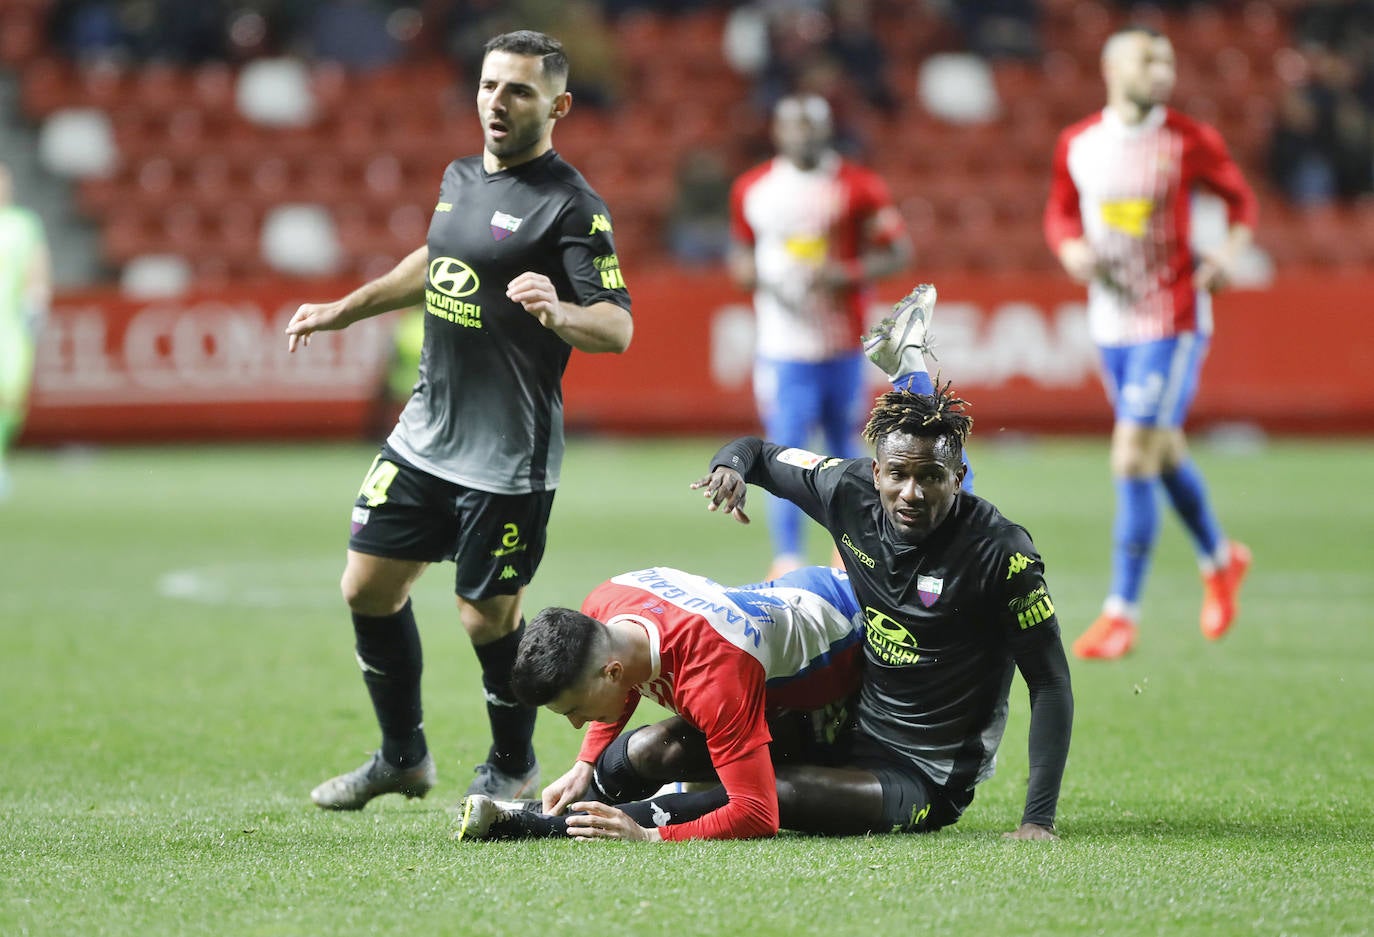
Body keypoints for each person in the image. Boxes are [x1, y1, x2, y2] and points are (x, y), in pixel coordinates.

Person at [463, 288, 1073, 842]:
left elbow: (1048, 681)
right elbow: (756, 451)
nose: (911, 493)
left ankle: (564, 827)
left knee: (775, 797)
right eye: (897, 477)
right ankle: (551, 814)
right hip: (839, 713)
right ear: (875, 473)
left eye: (933, 478)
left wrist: (1038, 820)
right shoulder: (851, 491)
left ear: (960, 477)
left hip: (922, 770)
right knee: (649, 749)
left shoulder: (1002, 555)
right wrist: (731, 469)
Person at [284, 30, 633, 809]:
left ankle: (512, 766)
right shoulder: (460, 176)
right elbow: (437, 258)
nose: (496, 103)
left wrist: (560, 309)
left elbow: (617, 327)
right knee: (366, 585)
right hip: (425, 433)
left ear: (558, 105)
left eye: (517, 91)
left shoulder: (573, 207)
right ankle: (401, 757)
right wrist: (345, 310)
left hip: (508, 455)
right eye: (488, 86)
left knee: (485, 616)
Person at [1043, 25, 1258, 661]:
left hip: (1175, 316)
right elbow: (1058, 211)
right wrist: (1070, 248)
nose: (1162, 72)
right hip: (1111, 321)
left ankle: (1121, 614)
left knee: (1132, 451)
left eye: (1166, 61)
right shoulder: (1078, 144)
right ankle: (1221, 558)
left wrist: (1226, 253)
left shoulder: (1189, 140)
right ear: (1113, 69)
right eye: (1148, 61)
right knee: (1161, 452)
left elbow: (1242, 204)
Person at [457, 565, 865, 841]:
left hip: (866, 652)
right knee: (630, 755)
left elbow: (758, 815)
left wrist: (649, 836)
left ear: (612, 672)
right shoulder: (606, 605)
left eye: (574, 709)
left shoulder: (714, 676)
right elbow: (629, 670)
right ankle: (554, 812)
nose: (577, 724)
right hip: (795, 605)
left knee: (767, 791)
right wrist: (584, 763)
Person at [728, 92, 913, 579]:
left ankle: (850, 551)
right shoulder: (753, 189)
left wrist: (848, 271)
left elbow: (897, 251)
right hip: (783, 346)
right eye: (794, 125)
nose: (803, 135)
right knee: (785, 447)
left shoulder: (857, 185)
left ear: (827, 129)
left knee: (845, 449)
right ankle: (786, 556)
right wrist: (747, 272)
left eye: (812, 125)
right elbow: (741, 251)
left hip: (842, 344)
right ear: (778, 130)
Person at [0, 161, 52, 501]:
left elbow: (37, 266)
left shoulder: (22, 224)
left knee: (10, 399)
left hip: (9, 326)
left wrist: (36, 304)